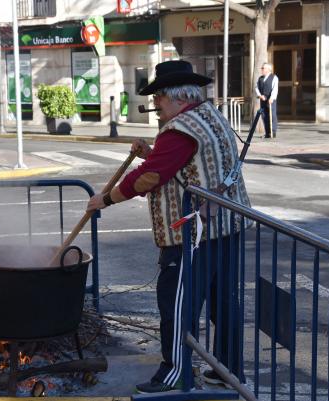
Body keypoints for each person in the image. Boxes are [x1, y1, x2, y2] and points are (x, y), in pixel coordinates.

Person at [86, 60, 252, 394]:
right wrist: (151, 151)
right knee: (224, 302)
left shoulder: (179, 129)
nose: (155, 107)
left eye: (158, 99)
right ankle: (228, 369)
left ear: (174, 96)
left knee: (177, 304)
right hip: (227, 226)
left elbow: (151, 177)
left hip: (192, 234)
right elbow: (182, 164)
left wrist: (105, 199)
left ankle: (174, 371)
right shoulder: (209, 116)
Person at [255, 62, 278, 138]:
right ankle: (267, 132)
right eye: (262, 68)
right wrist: (260, 95)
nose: (261, 69)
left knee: (272, 115)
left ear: (268, 69)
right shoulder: (260, 78)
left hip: (271, 99)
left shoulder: (274, 77)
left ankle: (273, 132)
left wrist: (272, 97)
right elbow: (256, 87)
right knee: (264, 116)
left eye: (263, 68)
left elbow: (275, 89)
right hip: (263, 99)